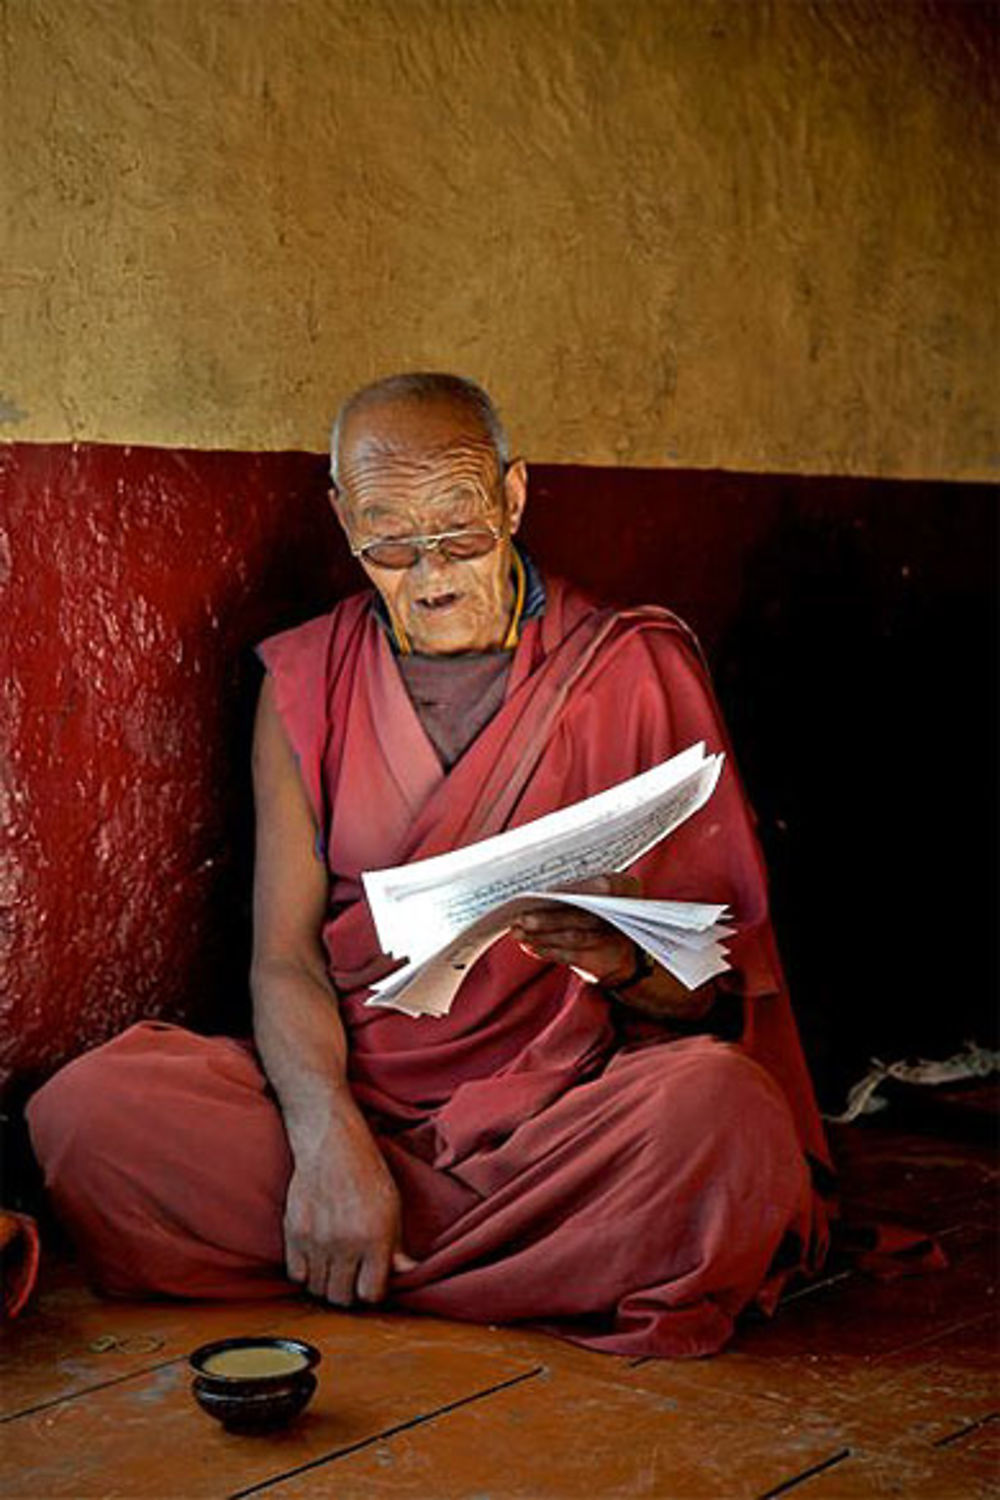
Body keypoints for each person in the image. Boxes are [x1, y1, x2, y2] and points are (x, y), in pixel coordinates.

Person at [28, 373, 831, 1358]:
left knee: (726, 1122)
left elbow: (714, 989)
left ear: (515, 496)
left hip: (562, 1119)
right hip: (349, 1100)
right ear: (340, 520)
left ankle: (361, 1260)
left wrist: (619, 961)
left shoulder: (627, 666)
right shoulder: (303, 679)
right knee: (88, 1117)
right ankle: (458, 1250)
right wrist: (328, 1143)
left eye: (459, 534)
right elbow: (284, 958)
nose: (431, 574)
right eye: (389, 545)